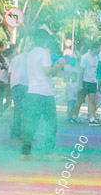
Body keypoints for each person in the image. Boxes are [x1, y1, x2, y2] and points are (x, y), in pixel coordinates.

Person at [21, 29, 63, 159]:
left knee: (31, 123)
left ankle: (25, 152)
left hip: (31, 92)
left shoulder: (30, 54)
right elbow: (47, 71)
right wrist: (57, 67)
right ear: (45, 40)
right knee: (51, 123)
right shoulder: (44, 53)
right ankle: (49, 152)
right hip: (44, 92)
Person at [8, 44, 29, 140]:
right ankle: (24, 133)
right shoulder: (30, 59)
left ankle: (15, 132)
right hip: (25, 85)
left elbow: (9, 74)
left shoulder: (15, 59)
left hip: (15, 85)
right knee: (26, 110)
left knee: (18, 109)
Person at [75, 44, 100, 125]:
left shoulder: (96, 58)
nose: (99, 50)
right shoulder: (85, 57)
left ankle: (91, 117)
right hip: (85, 81)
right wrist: (80, 83)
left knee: (92, 100)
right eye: (98, 48)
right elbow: (81, 70)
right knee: (80, 100)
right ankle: (74, 116)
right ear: (94, 49)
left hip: (93, 81)